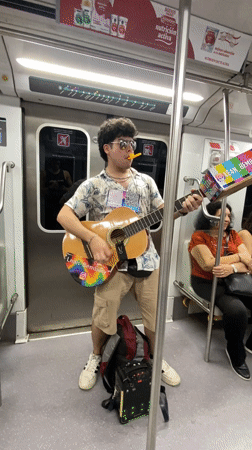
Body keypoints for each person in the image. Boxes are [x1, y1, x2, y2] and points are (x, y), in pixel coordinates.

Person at [57, 117, 202, 390]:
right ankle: (96, 357)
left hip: (147, 261)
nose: (129, 149)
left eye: (132, 143)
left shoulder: (146, 182)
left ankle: (156, 357)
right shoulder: (92, 186)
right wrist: (92, 239)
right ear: (106, 149)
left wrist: (184, 207)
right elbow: (64, 215)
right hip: (110, 265)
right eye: (123, 144)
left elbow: (163, 211)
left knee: (155, 316)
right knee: (103, 316)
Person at [189, 202, 252, 381]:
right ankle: (236, 355)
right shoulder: (199, 236)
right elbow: (208, 264)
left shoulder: (232, 235)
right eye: (221, 215)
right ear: (209, 217)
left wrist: (231, 267)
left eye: (228, 216)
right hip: (206, 282)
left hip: (233, 279)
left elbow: (249, 262)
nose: (225, 219)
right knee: (237, 310)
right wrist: (238, 257)